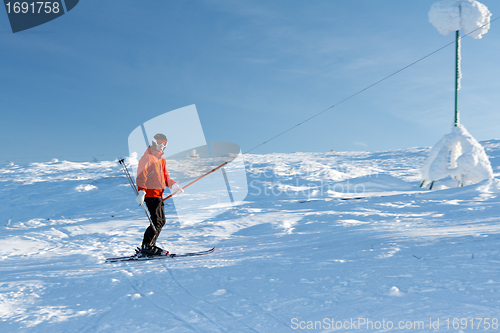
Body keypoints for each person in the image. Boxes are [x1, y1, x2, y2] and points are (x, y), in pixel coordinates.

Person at [135, 133, 183, 256]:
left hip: (158, 194)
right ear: (154, 142)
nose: (162, 145)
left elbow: (165, 177)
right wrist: (141, 191)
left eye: (164, 143)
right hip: (150, 194)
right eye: (159, 142)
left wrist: (173, 185)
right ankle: (147, 246)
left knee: (160, 221)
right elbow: (141, 176)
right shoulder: (146, 158)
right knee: (156, 221)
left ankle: (149, 245)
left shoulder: (161, 159)